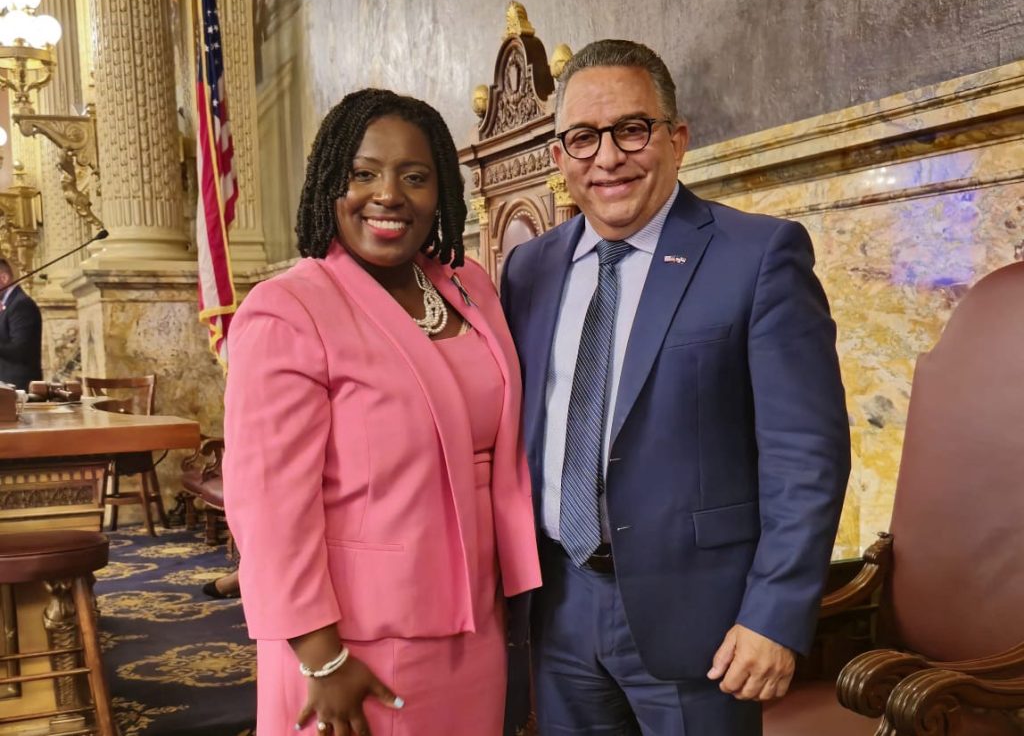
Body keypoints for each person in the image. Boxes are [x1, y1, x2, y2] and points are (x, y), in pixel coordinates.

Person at [500, 40, 851, 735]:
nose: (607, 158)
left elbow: (805, 455)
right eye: (583, 137)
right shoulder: (526, 271)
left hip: (703, 624)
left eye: (632, 129)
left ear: (677, 138)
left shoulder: (758, 256)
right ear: (558, 158)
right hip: (557, 608)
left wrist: (773, 615)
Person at [223, 89, 540, 736]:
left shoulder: (467, 284)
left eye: (414, 176)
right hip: (356, 641)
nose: (388, 194)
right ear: (329, 184)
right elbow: (269, 505)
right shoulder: (289, 309)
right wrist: (319, 654)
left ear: (441, 191)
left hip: (475, 623)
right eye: (362, 173)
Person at [0, 259, 42, 391]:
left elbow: (20, 350)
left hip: (19, 387)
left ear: (4, 278)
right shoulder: (9, 304)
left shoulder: (20, 304)